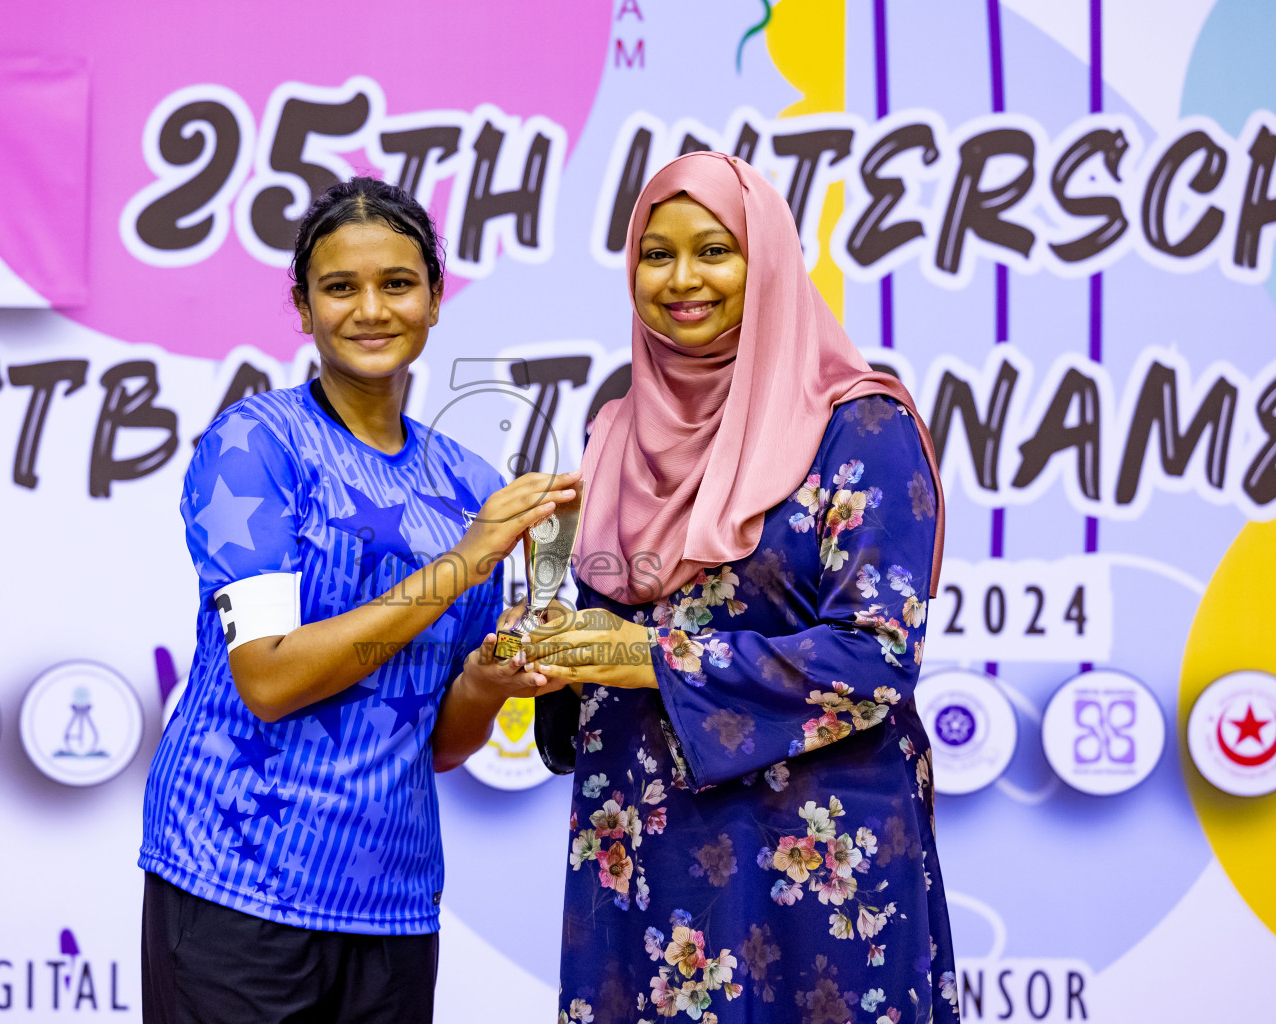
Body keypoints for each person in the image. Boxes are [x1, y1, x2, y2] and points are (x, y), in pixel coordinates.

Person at [527, 151, 959, 1024]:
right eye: (656, 254)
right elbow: (609, 631)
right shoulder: (614, 431)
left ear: (765, 262)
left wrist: (648, 657)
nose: (682, 279)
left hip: (815, 861)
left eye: (714, 250)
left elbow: (875, 657)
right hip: (643, 854)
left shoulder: (860, 425)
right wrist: (549, 654)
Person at [138, 176, 571, 1023]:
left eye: (398, 284)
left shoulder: (468, 485)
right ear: (302, 308)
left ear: (436, 300)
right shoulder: (253, 446)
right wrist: (461, 563)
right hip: (236, 884)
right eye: (340, 287)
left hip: (392, 904)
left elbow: (439, 742)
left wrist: (490, 678)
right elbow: (267, 678)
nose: (371, 309)